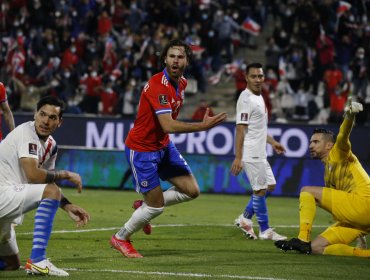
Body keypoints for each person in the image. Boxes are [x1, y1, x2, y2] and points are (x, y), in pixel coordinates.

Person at [110, 39, 227, 258]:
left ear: (187, 60)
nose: (175, 60)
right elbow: (168, 124)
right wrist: (202, 126)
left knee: (192, 191)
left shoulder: (181, 83)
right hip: (142, 149)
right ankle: (121, 237)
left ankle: (143, 205)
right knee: (156, 207)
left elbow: (166, 124)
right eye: (171, 56)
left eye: (180, 56)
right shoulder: (158, 85)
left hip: (163, 146)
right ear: (164, 59)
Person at [0, 96, 90, 276]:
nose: (45, 121)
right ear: (35, 114)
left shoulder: (51, 146)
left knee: (11, 264)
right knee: (51, 191)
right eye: (42, 114)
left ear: (60, 122)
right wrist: (66, 174)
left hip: (7, 202)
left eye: (52, 117)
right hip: (3, 192)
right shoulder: (27, 133)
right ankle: (38, 260)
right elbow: (34, 174)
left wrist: (67, 205)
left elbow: (44, 180)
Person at [274, 99, 370, 257]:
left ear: (328, 145)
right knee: (317, 248)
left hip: (364, 203)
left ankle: (302, 239)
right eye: (310, 142)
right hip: (360, 217)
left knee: (307, 191)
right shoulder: (328, 172)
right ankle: (365, 254)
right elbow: (345, 204)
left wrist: (350, 116)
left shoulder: (338, 152)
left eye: (316, 142)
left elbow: (343, 135)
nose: (310, 145)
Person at [230, 62, 287, 241]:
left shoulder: (259, 97)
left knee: (269, 186)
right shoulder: (245, 98)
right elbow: (240, 129)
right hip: (250, 152)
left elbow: (258, 128)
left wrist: (273, 142)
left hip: (260, 151)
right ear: (246, 78)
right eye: (253, 76)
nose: (257, 79)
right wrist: (238, 157)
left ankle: (245, 218)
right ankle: (265, 230)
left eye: (260, 76)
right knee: (260, 190)